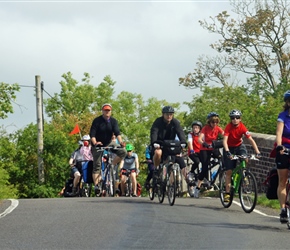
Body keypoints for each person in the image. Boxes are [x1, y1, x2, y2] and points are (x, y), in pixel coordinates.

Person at [223, 109, 261, 203]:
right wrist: (227, 152)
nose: (235, 119)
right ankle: (227, 193)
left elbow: (251, 140)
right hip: (229, 147)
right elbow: (224, 140)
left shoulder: (242, 127)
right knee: (229, 171)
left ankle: (244, 175)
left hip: (239, 146)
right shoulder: (228, 127)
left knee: (245, 158)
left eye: (237, 118)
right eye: (233, 118)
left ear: (240, 119)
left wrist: (257, 152)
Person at [90, 103, 126, 196]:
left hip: (108, 142)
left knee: (123, 151)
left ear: (111, 111)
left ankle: (113, 164)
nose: (107, 112)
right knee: (97, 165)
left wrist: (121, 142)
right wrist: (95, 143)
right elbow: (92, 134)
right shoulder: (97, 121)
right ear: (102, 111)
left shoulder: (113, 121)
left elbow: (117, 133)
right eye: (105, 110)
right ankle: (97, 186)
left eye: (108, 110)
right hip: (98, 143)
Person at [150, 106, 187, 179]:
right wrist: (154, 142)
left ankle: (173, 182)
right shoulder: (158, 121)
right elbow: (154, 132)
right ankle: (157, 169)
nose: (169, 116)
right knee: (158, 153)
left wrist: (183, 142)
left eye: (171, 114)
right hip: (159, 144)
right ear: (163, 114)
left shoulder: (175, 122)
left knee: (178, 158)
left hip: (170, 145)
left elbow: (180, 132)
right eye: (167, 114)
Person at [195, 112, 224, 198]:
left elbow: (225, 134)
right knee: (204, 168)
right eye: (213, 122)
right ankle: (197, 187)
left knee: (222, 160)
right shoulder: (205, 128)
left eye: (216, 122)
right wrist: (204, 143)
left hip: (213, 148)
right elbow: (199, 139)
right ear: (209, 122)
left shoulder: (218, 128)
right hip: (205, 149)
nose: (214, 124)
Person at [274, 91, 290, 223]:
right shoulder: (283, 116)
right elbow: (279, 133)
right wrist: (279, 146)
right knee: (282, 181)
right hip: (284, 150)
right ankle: (283, 209)